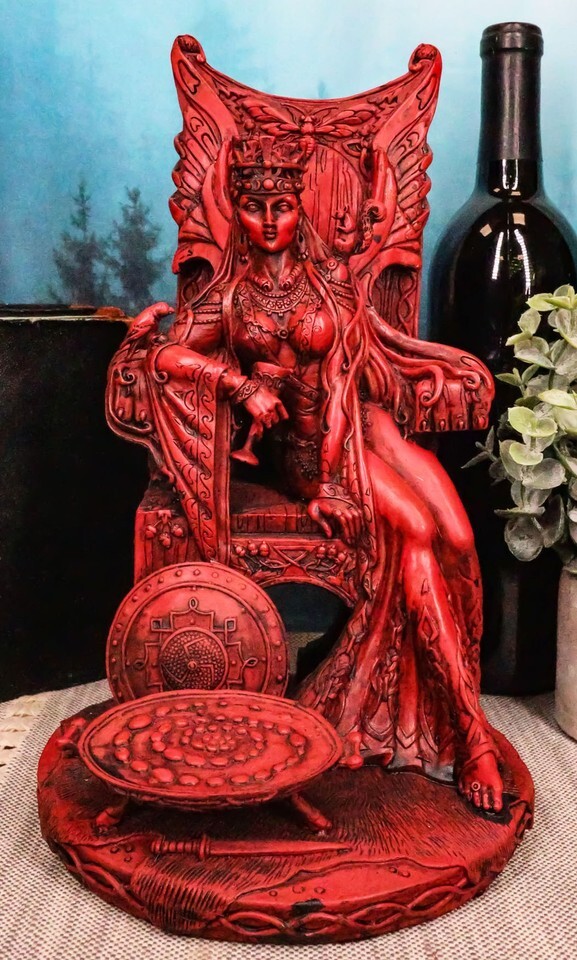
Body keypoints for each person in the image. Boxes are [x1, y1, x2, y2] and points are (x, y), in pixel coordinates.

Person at [107, 136, 503, 813]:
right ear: (237, 212)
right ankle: (473, 742)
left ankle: (440, 711)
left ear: (299, 211)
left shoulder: (330, 281)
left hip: (360, 428)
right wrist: (237, 386)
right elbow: (167, 359)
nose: (269, 220)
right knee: (412, 529)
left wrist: (343, 476)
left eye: (283, 206)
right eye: (254, 206)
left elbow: (351, 375)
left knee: (460, 539)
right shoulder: (229, 300)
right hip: (301, 454)